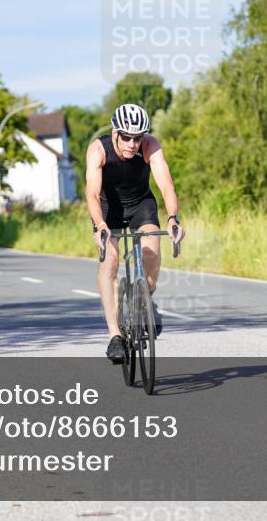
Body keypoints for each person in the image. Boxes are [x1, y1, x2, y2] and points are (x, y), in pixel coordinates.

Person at [85, 103, 185, 363]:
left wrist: (173, 217)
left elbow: (166, 184)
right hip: (109, 208)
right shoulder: (98, 149)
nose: (132, 143)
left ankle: (146, 299)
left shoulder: (151, 145)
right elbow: (92, 194)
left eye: (137, 138)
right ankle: (114, 335)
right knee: (110, 262)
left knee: (151, 249)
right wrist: (100, 225)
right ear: (115, 132)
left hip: (141, 204)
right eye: (126, 137)